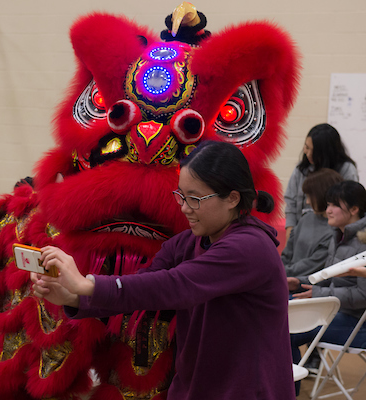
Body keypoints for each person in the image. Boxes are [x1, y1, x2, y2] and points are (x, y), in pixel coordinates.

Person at [32, 141, 295, 400]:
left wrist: (86, 284)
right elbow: (144, 286)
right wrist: (73, 297)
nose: (184, 208)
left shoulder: (250, 247)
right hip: (198, 386)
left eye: (194, 199)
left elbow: (176, 285)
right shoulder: (190, 241)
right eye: (181, 196)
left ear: (232, 199)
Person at [289, 181, 366, 375]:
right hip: (334, 310)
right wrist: (299, 282)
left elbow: (362, 295)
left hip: (356, 323)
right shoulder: (339, 234)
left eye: (334, 205)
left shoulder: (362, 242)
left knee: (285, 328)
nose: (328, 210)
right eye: (328, 204)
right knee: (280, 312)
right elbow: (327, 276)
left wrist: (318, 292)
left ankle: (286, 390)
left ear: (355, 209)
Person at [284, 123, 357, 240]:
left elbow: (348, 207)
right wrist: (290, 235)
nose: (307, 153)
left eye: (314, 151)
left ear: (326, 152)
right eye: (306, 147)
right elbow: (291, 204)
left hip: (330, 236)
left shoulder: (347, 170)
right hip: (301, 234)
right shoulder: (301, 169)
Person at [282, 168, 343, 278]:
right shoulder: (306, 219)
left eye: (310, 196)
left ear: (322, 195)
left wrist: (279, 273)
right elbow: (287, 254)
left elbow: (311, 265)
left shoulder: (335, 230)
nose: (307, 202)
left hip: (304, 285)